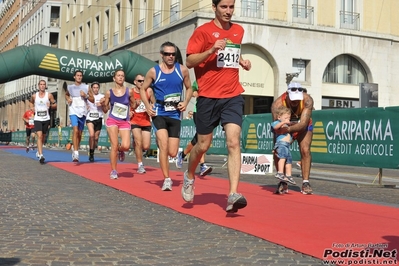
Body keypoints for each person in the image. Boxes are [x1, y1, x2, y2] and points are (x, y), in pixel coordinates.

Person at [182, 0, 252, 213]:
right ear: (214, 7)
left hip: (232, 95)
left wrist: (241, 61)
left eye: (231, 7)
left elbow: (230, 52)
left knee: (233, 142)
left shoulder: (239, 30)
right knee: (202, 145)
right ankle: (189, 176)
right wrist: (212, 48)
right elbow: (190, 61)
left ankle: (232, 194)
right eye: (224, 7)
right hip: (208, 97)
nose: (228, 11)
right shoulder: (203, 32)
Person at [140, 41, 193, 191]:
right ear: (161, 55)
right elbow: (144, 89)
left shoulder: (182, 70)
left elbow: (189, 88)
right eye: (167, 54)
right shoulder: (154, 71)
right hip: (159, 112)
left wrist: (186, 101)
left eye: (173, 54)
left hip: (175, 114)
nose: (170, 57)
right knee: (163, 146)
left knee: (173, 152)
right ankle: (167, 179)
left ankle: (164, 148)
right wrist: (148, 106)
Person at [271, 82, 314, 195]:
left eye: (297, 100)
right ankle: (282, 180)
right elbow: (276, 126)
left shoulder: (307, 100)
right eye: (293, 100)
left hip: (302, 126)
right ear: (287, 95)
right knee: (279, 150)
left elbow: (303, 124)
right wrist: (276, 144)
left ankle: (305, 182)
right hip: (284, 127)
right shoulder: (278, 104)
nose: (295, 102)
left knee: (305, 150)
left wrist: (290, 129)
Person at [101, 69, 138, 179]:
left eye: (122, 76)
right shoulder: (109, 92)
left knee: (126, 146)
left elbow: (133, 105)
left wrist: (136, 103)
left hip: (124, 121)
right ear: (114, 78)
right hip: (112, 120)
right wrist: (103, 104)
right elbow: (105, 109)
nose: (121, 77)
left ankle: (121, 151)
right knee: (114, 145)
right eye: (118, 75)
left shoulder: (129, 91)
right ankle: (114, 170)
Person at [176, 81, 212, 177]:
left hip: (211, 112)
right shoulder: (201, 78)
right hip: (199, 111)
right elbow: (191, 90)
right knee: (201, 138)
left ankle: (183, 154)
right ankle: (202, 165)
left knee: (200, 139)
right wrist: (194, 93)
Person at [65, 70, 94, 162]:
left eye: (81, 76)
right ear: (74, 77)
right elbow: (66, 95)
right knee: (75, 130)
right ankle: (76, 153)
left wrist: (85, 96)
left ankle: (75, 146)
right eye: (77, 75)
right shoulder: (70, 87)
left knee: (80, 134)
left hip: (82, 112)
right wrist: (68, 99)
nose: (79, 77)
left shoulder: (86, 87)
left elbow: (92, 99)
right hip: (73, 111)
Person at [129, 74, 154, 174]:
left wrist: (151, 107)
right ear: (135, 82)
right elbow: (125, 104)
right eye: (139, 81)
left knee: (146, 146)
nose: (142, 83)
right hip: (134, 120)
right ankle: (140, 165)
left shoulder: (149, 91)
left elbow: (154, 103)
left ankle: (135, 145)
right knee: (139, 142)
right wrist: (128, 113)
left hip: (146, 121)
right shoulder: (131, 92)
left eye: (143, 81)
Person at [29, 80, 57, 164]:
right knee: (40, 136)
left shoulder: (49, 95)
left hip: (46, 118)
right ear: (38, 86)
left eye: (43, 84)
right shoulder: (34, 96)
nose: (42, 86)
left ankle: (38, 150)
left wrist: (51, 106)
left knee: (43, 136)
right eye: (41, 84)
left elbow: (55, 105)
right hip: (37, 119)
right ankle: (41, 155)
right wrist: (32, 108)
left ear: (45, 86)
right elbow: (30, 103)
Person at [271, 106, 296, 187]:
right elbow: (275, 127)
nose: (287, 120)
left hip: (287, 145)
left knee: (289, 160)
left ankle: (289, 175)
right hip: (281, 143)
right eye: (285, 118)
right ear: (279, 117)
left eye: (288, 118)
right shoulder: (277, 123)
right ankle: (280, 173)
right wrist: (283, 123)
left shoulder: (287, 125)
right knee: (282, 157)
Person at [86, 81, 107, 162]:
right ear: (91, 88)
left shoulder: (102, 97)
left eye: (97, 88)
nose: (95, 89)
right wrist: (86, 107)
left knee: (96, 137)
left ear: (99, 88)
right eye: (94, 88)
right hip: (90, 118)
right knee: (91, 135)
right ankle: (91, 154)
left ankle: (92, 150)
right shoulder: (88, 97)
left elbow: (105, 110)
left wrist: (102, 104)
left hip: (99, 118)